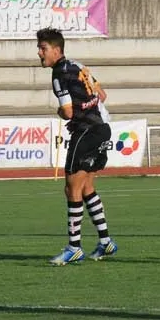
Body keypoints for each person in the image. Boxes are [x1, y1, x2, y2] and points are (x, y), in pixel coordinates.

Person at [36, 27, 118, 266]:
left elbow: (68, 111)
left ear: (57, 50)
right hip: (102, 129)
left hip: (85, 133)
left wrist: (60, 111)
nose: (40, 53)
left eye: (43, 49)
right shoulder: (78, 65)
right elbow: (102, 95)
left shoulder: (59, 74)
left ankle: (74, 247)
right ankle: (106, 241)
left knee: (71, 189)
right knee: (85, 188)